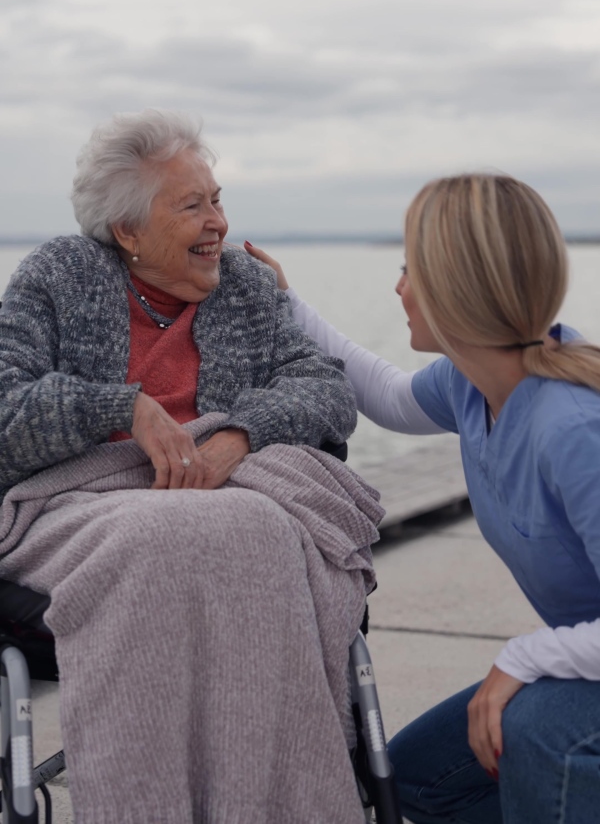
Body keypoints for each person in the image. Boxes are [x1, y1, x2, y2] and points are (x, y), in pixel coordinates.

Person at [0, 109, 382, 824]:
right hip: (75, 501)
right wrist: (120, 406)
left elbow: (325, 389)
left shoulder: (243, 286)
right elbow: (4, 408)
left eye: (216, 198)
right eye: (192, 205)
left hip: (219, 495)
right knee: (172, 539)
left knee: (259, 528)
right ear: (128, 232)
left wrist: (239, 433)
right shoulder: (56, 276)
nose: (218, 222)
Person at [245, 172, 600, 824]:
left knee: (539, 733)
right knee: (416, 780)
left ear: (456, 288)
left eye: (411, 269)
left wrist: (523, 658)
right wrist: (285, 304)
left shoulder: (573, 427)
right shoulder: (476, 382)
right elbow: (386, 396)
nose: (398, 286)